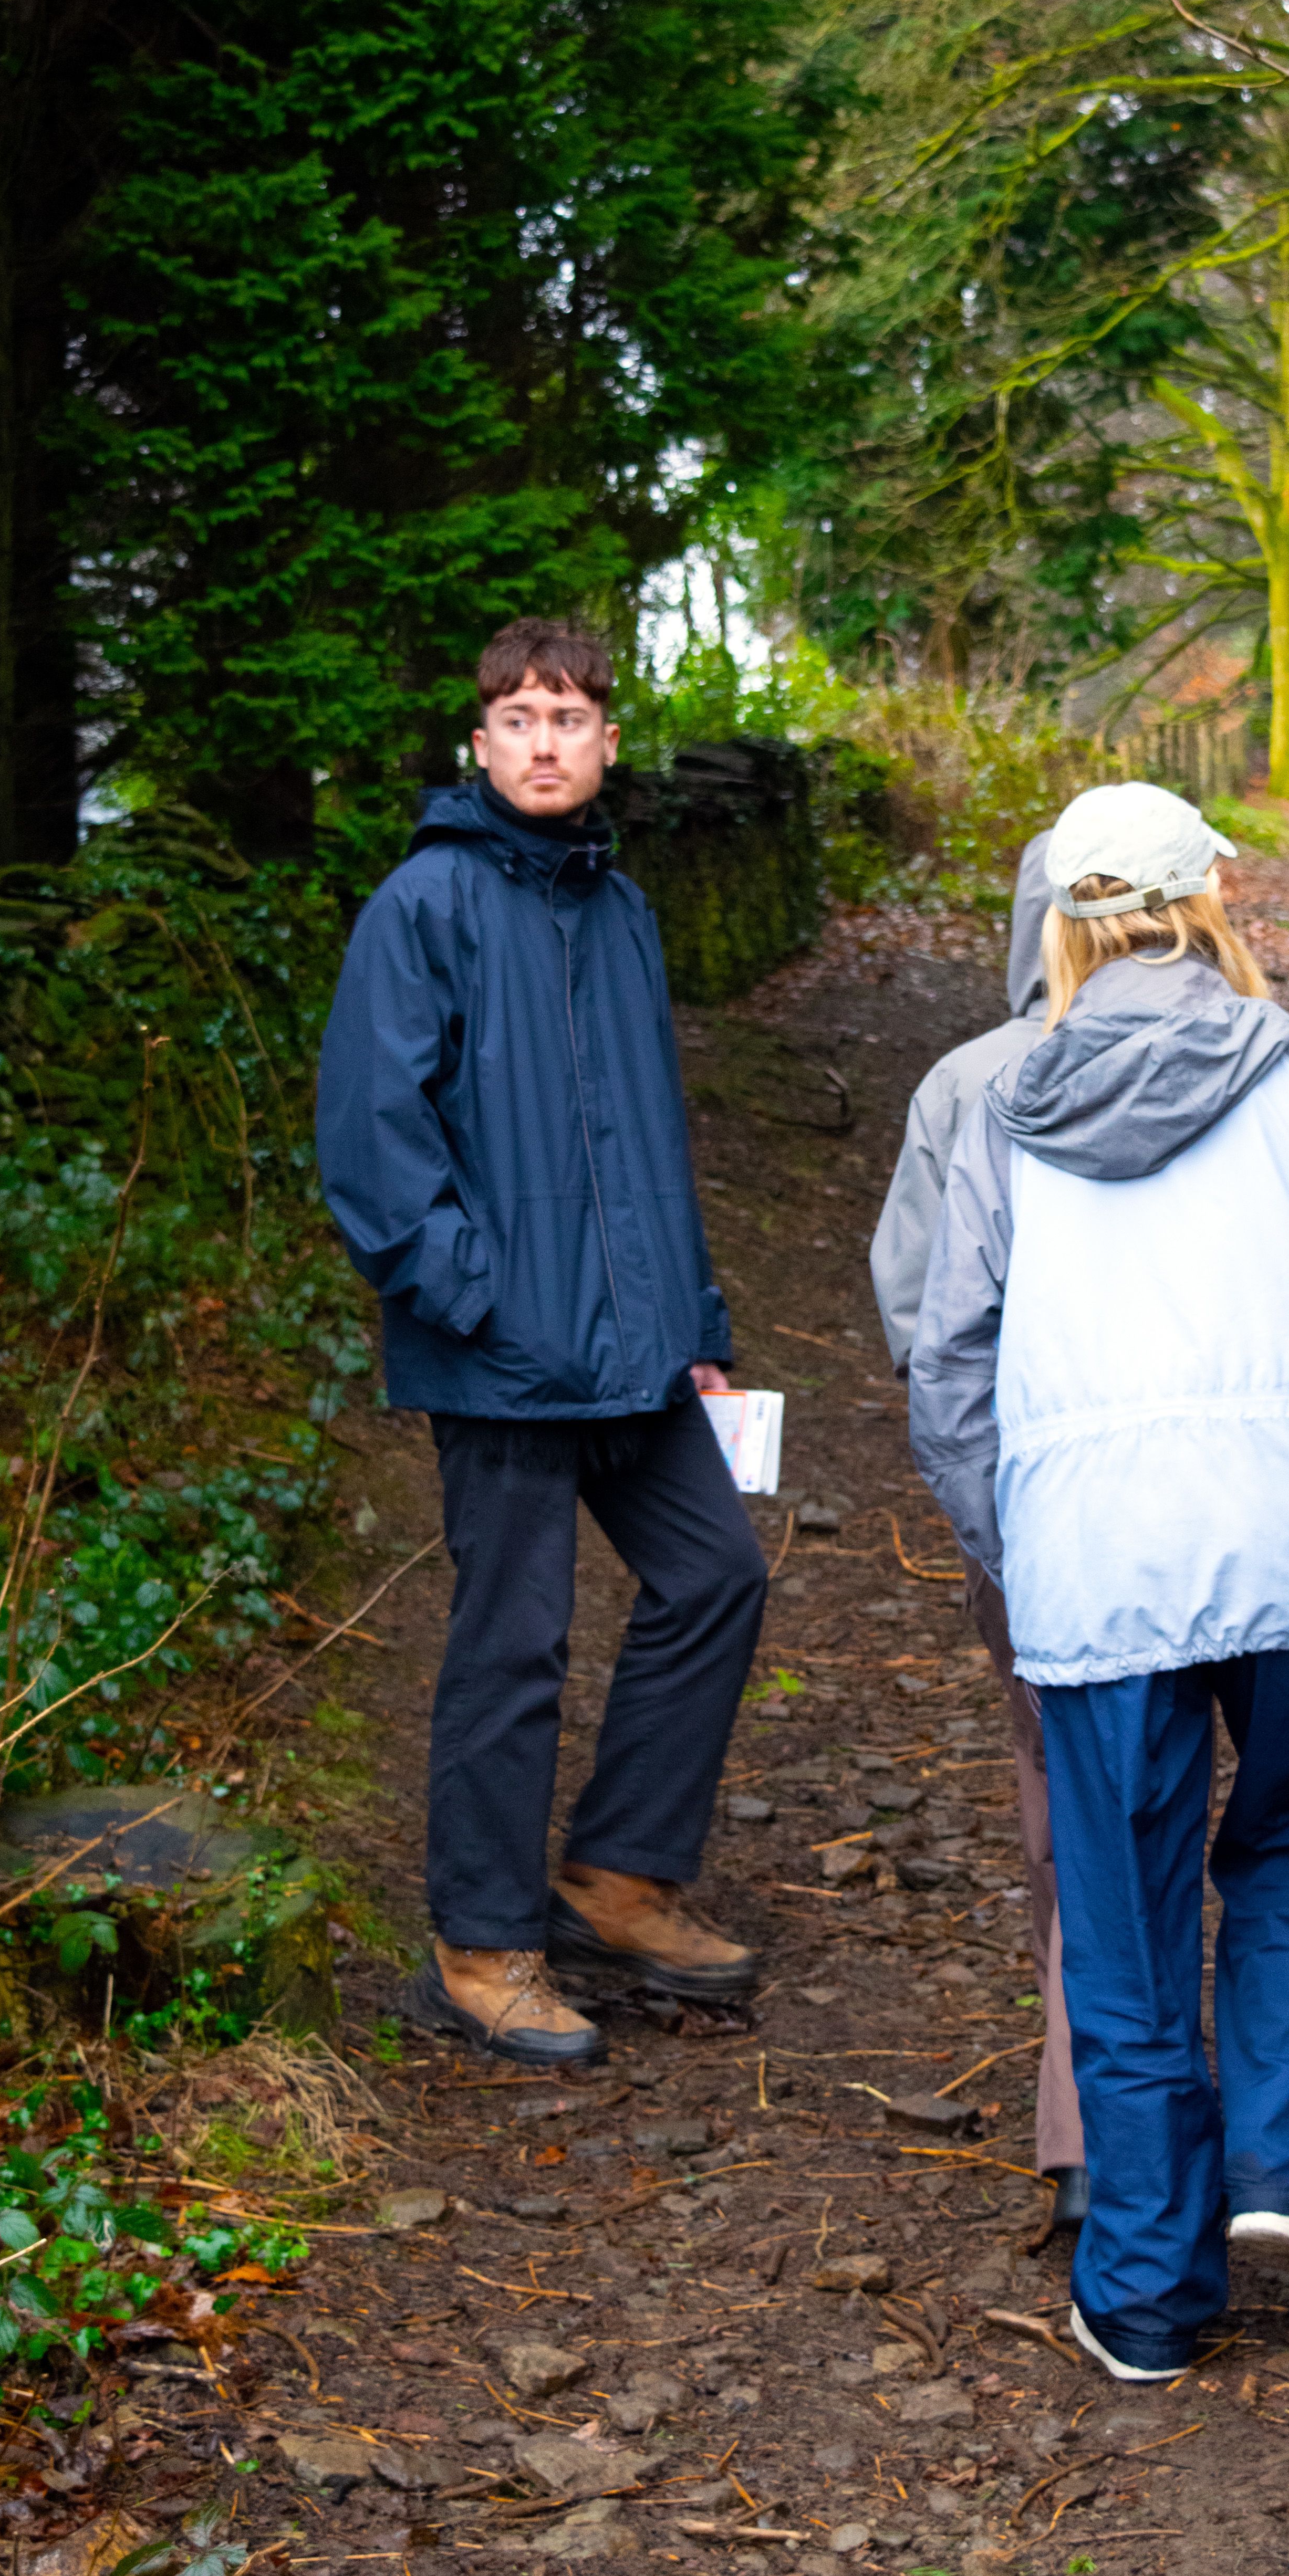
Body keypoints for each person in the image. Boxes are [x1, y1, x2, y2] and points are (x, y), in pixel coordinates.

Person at [908, 783, 1289, 2383]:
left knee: (1127, 1919)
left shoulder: (1001, 1103)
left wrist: (1011, 1544)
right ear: (1216, 903)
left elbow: (952, 1360)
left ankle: (1142, 2297)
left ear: (1060, 922)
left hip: (1097, 1564)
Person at [317, 619, 767, 2068]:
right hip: (505, 1349)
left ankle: (616, 1875)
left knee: (716, 1576)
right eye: (515, 719)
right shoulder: (426, 905)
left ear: (607, 741)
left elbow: (648, 1141)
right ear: (480, 744)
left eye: (567, 716)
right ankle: (485, 1941)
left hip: (634, 1348)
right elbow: (372, 1137)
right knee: (512, 1645)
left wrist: (691, 1321)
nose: (543, 743)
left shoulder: (620, 910)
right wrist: (471, 1292)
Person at [870, 832, 1088, 2239]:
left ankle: (1090, 2123)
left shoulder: (967, 1086)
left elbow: (918, 1310)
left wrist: (988, 1506)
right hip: (1230, 1503)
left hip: (1039, 1492)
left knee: (1064, 1786)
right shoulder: (1279, 1065)